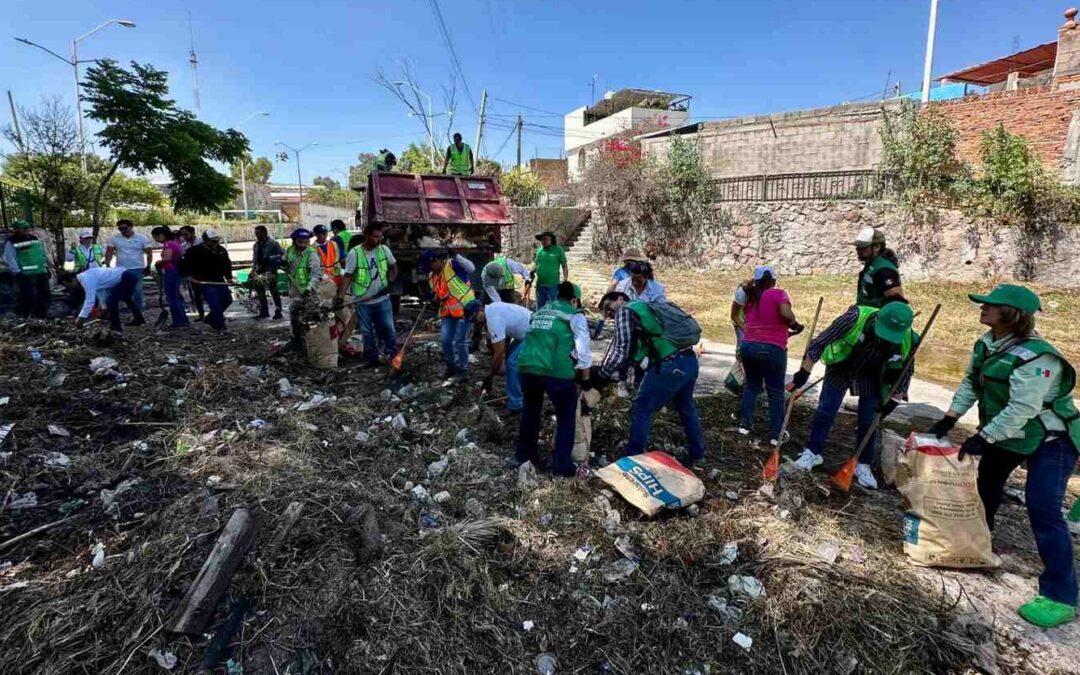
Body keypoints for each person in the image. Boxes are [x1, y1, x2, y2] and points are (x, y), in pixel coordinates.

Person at [926, 284, 1080, 628]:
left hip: (1050, 439)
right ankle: (978, 545)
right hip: (1012, 433)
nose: (982, 309)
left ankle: (1061, 594)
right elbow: (971, 382)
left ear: (1010, 314)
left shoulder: (1038, 357)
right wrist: (951, 416)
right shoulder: (987, 344)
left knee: (1044, 508)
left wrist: (985, 436)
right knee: (987, 485)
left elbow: (1023, 406)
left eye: (990, 306)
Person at [789, 300, 916, 489]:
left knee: (869, 420)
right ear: (878, 318)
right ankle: (812, 453)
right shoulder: (855, 318)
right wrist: (803, 374)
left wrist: (893, 402)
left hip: (873, 376)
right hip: (842, 366)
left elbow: (906, 373)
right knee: (826, 411)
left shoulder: (909, 338)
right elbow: (818, 344)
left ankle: (862, 463)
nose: (886, 340)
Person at [595, 292, 706, 467]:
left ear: (621, 300)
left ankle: (634, 458)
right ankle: (698, 455)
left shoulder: (625, 311)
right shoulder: (647, 311)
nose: (610, 315)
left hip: (671, 365)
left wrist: (600, 375)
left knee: (641, 408)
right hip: (689, 361)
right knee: (686, 407)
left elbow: (620, 349)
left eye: (609, 309)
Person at [516, 282, 592, 476]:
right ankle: (562, 467)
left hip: (527, 368)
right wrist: (585, 379)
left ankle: (525, 458)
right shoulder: (575, 315)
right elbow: (583, 351)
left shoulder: (542, 310)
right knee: (566, 418)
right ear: (574, 300)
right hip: (557, 373)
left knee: (531, 411)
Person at [736, 267, 802, 443]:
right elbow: (785, 312)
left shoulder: (751, 297)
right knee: (775, 391)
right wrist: (794, 323)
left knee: (752, 386)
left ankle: (744, 426)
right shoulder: (778, 294)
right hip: (773, 349)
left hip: (749, 346)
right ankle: (775, 435)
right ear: (773, 281)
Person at [339, 223, 398, 368]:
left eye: (380, 237)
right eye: (375, 237)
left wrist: (390, 281)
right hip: (363, 301)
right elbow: (347, 276)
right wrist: (340, 297)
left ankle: (391, 355)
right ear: (367, 236)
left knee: (388, 328)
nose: (379, 240)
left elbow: (393, 267)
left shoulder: (384, 250)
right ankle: (371, 358)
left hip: (382, 299)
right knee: (367, 332)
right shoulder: (355, 253)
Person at [420, 248, 478, 379]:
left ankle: (463, 370)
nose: (429, 269)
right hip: (447, 311)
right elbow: (441, 294)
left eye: (430, 266)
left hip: (464, 310)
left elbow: (471, 268)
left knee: (460, 342)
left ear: (436, 260)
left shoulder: (452, 265)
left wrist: (457, 256)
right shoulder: (431, 276)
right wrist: (431, 297)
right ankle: (450, 367)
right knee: (446, 341)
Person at [474, 299, 532, 414]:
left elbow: (499, 354)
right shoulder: (491, 308)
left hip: (532, 331)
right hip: (526, 328)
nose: (475, 321)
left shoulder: (493, 320)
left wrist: (490, 376)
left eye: (475, 317)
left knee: (512, 363)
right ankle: (518, 391)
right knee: (511, 359)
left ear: (481, 310)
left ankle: (516, 404)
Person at [59, 267, 145, 332]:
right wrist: (103, 307)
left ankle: (116, 327)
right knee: (125, 299)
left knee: (111, 301)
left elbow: (90, 300)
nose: (69, 287)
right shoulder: (86, 275)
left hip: (126, 278)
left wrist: (81, 318)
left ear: (72, 280)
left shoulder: (86, 280)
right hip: (127, 276)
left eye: (67, 285)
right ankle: (139, 319)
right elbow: (101, 291)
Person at [183, 228, 233, 333]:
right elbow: (183, 265)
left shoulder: (221, 251)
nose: (216, 243)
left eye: (217, 241)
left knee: (227, 300)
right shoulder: (194, 251)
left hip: (219, 280)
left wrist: (229, 277)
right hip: (204, 282)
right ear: (206, 241)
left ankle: (210, 318)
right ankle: (220, 326)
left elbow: (227, 265)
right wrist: (189, 276)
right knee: (215, 303)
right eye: (213, 241)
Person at [3, 220, 52, 319]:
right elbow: (9, 257)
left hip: (40, 271)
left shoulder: (34, 238)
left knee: (45, 294)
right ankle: (30, 316)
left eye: (28, 228)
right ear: (17, 230)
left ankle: (43, 315)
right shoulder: (12, 241)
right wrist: (17, 271)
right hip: (26, 274)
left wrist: (46, 267)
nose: (27, 230)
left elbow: (40, 253)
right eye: (24, 228)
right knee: (29, 296)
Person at [286, 228, 325, 345]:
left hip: (310, 293)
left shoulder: (312, 255)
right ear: (294, 241)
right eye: (300, 242)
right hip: (295, 291)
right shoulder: (290, 251)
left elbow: (315, 275)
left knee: (313, 317)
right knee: (295, 316)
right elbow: (287, 265)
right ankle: (297, 340)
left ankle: (316, 342)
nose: (303, 244)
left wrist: (308, 289)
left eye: (305, 242)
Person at [104, 219, 152, 310]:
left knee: (137, 290)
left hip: (137, 267)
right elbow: (109, 252)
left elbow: (149, 253)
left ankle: (138, 308)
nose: (122, 231)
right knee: (124, 289)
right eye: (120, 229)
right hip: (121, 269)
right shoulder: (115, 238)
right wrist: (107, 264)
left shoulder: (142, 238)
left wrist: (148, 265)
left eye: (125, 228)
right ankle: (129, 307)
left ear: (131, 227)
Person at [852, 226, 903, 307]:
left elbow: (896, 305)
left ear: (877, 247)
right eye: (858, 247)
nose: (858, 250)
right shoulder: (871, 262)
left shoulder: (884, 271)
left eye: (863, 247)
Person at [151, 226, 189, 329]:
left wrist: (159, 262)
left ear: (161, 235)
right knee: (177, 297)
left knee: (172, 298)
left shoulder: (168, 244)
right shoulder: (175, 242)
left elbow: (167, 258)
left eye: (156, 237)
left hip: (171, 272)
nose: (156, 240)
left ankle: (178, 321)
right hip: (176, 271)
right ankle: (183, 319)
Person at [252, 225, 285, 320]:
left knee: (274, 291)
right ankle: (264, 311)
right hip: (259, 272)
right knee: (260, 291)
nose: (256, 235)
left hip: (271, 272)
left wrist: (271, 259)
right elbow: (254, 259)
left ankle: (278, 311)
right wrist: (253, 270)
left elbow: (282, 255)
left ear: (264, 232)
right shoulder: (256, 245)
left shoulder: (273, 244)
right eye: (256, 233)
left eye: (258, 233)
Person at [533, 231, 568, 309]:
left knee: (553, 309)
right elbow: (536, 264)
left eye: (545, 239)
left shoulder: (558, 250)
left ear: (551, 239)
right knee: (540, 309)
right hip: (540, 285)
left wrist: (565, 279)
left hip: (553, 285)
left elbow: (564, 266)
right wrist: (531, 272)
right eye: (542, 240)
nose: (543, 241)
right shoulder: (539, 251)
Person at [178, 226, 205, 321]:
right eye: (183, 234)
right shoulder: (184, 246)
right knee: (196, 295)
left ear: (193, 233)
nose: (184, 236)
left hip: (206, 272)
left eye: (186, 234)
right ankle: (201, 314)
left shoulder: (202, 242)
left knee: (210, 294)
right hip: (194, 274)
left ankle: (217, 313)